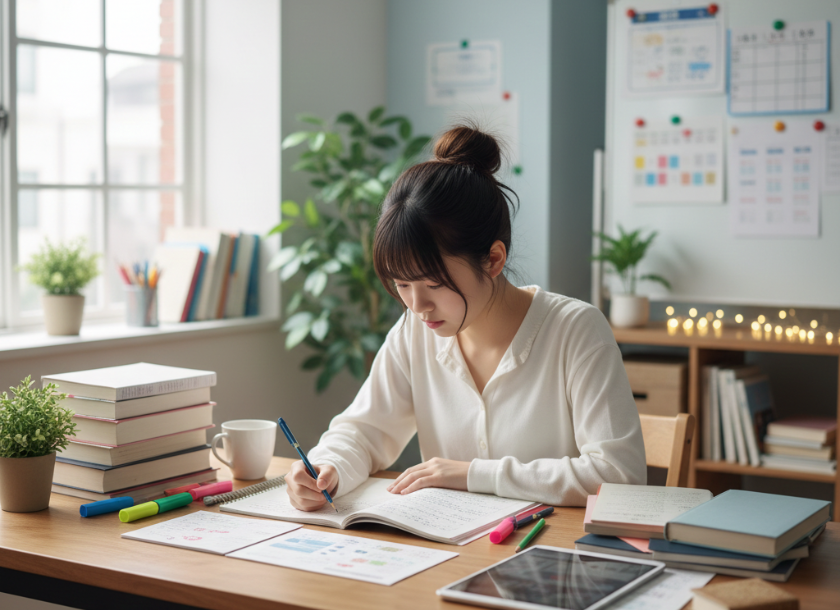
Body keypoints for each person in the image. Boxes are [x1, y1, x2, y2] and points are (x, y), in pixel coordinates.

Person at [286, 124, 646, 511]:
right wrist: (328, 467)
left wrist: (474, 474)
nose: (417, 306)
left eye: (434, 284)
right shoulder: (415, 333)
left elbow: (618, 474)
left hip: (548, 544)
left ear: (493, 259)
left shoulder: (576, 330)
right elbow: (365, 431)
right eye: (402, 284)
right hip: (450, 543)